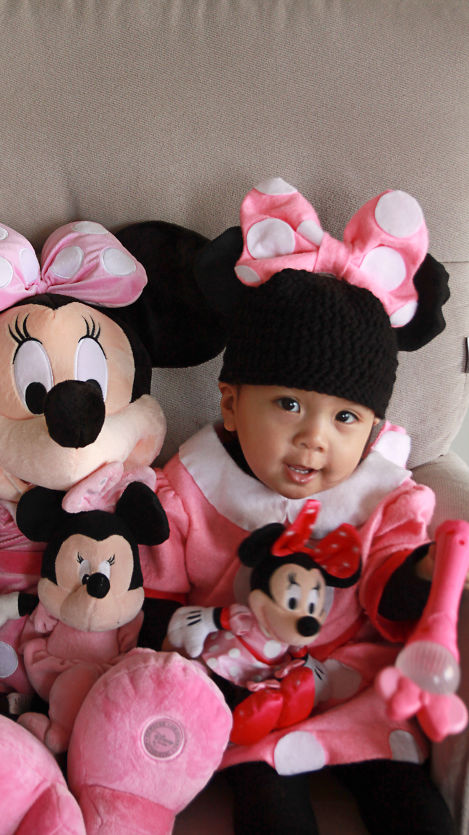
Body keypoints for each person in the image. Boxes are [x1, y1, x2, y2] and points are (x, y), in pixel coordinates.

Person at [139, 179, 456, 833]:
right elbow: (156, 596)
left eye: (345, 417)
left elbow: (388, 583)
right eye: (287, 404)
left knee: (410, 796)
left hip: (350, 678)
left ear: (370, 430)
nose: (315, 437)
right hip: (242, 687)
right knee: (267, 798)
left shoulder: (380, 496)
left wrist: (423, 575)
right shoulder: (189, 487)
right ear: (230, 403)